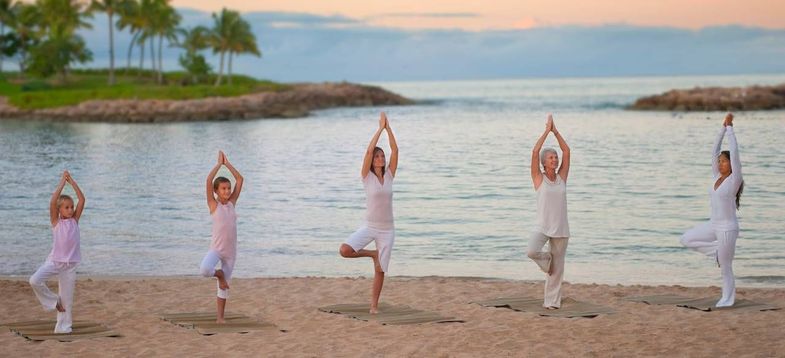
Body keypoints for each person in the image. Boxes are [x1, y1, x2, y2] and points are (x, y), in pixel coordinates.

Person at [680, 113, 744, 307]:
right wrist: (722, 129)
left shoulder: (734, 180)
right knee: (686, 238)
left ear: (731, 164)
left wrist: (731, 129)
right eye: (719, 161)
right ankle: (715, 252)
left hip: (727, 228)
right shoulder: (716, 176)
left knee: (726, 268)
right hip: (713, 225)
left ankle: (728, 299)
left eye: (724, 161)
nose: (720, 163)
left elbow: (735, 151)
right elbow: (713, 150)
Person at [339, 112, 399, 314]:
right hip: (370, 226)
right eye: (377, 156)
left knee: (381, 270)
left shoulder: (389, 175)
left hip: (387, 230)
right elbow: (367, 152)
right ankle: (372, 254)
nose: (381, 158)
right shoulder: (367, 177)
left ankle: (373, 306)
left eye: (382, 156)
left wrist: (388, 128)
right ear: (372, 161)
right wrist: (379, 129)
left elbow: (395, 149)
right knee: (345, 250)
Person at [29, 170, 86, 333]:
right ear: (60, 210)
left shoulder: (75, 221)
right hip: (55, 261)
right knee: (34, 280)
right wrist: (62, 182)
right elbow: (53, 201)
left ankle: (63, 328)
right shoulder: (56, 222)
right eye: (66, 207)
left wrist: (72, 181)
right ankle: (54, 302)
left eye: (71, 207)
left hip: (70, 265)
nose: (70, 209)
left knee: (67, 300)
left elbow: (82, 199)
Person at [527, 114, 571, 309]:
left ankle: (551, 303)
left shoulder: (562, 177)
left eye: (556, 157)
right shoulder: (538, 178)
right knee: (531, 251)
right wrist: (546, 131)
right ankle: (546, 261)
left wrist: (556, 131)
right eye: (551, 158)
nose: (555, 159)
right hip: (543, 226)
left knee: (557, 271)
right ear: (545, 162)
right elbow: (535, 151)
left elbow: (567, 151)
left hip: (560, 228)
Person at [200, 150, 244, 323]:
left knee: (224, 288)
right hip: (217, 250)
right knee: (204, 270)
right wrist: (218, 165)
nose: (227, 191)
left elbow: (240, 180)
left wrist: (228, 164)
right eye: (223, 189)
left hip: (230, 252)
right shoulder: (213, 205)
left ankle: (220, 318)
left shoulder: (232, 204)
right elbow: (208, 181)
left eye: (228, 188)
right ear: (216, 191)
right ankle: (218, 274)